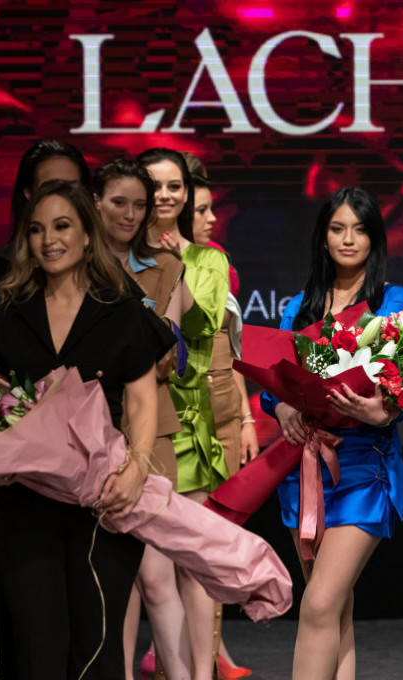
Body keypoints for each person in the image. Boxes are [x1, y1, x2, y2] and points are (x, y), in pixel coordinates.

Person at [0, 179, 175, 678]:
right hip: (23, 504)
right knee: (38, 648)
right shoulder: (7, 316)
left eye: (62, 226)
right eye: (37, 229)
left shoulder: (123, 311)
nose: (49, 240)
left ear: (88, 234)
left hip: (103, 501)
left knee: (96, 651)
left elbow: (142, 399)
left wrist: (136, 469)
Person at [260, 187, 403, 680]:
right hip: (304, 469)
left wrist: (383, 412)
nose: (348, 239)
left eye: (360, 229)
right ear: (323, 236)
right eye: (337, 228)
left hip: (364, 469)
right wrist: (282, 405)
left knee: (319, 604)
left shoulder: (395, 302)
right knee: (334, 609)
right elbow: (272, 382)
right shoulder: (301, 305)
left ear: (375, 237)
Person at [92, 158, 193, 680]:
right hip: (82, 431)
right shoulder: (71, 265)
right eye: (119, 202)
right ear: (94, 203)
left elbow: (167, 355)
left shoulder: (167, 267)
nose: (130, 214)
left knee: (156, 577)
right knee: (106, 583)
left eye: (139, 204)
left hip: (151, 429)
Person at [138, 147, 231, 680]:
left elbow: (202, 329)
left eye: (175, 185)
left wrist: (180, 268)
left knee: (194, 566)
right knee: (145, 575)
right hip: (135, 420)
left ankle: (201, 672)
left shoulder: (208, 259)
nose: (166, 195)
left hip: (190, 422)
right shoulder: (119, 253)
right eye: (155, 185)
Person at [191, 170, 257, 679]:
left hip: (224, 413)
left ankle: (211, 650)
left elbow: (229, 351)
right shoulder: (152, 265)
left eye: (211, 207)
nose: (213, 218)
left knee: (216, 538)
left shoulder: (220, 266)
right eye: (201, 210)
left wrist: (248, 415)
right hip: (179, 416)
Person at [0, 140, 91, 314]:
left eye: (71, 188)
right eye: (51, 188)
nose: (62, 198)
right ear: (28, 192)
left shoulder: (108, 272)